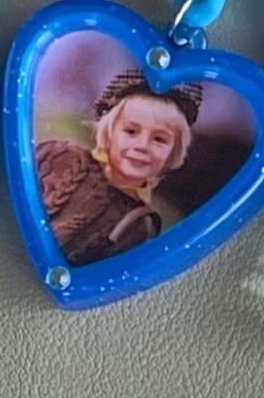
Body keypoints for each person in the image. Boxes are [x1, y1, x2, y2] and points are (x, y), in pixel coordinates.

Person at [34, 69, 203, 265]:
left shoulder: (138, 223)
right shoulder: (57, 155)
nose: (142, 145)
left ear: (173, 152)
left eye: (159, 139)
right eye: (130, 131)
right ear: (109, 132)